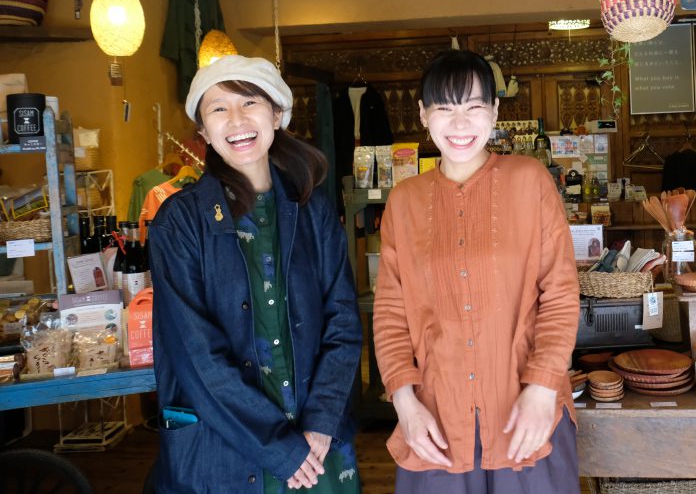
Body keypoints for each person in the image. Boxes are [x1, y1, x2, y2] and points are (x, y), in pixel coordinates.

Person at [148, 55, 362, 493]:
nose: (237, 119)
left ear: (277, 114)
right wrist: (279, 448)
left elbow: (343, 320)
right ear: (204, 131)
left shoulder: (313, 208)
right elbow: (195, 354)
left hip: (316, 445)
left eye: (249, 102)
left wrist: (321, 422)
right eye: (218, 108)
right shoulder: (180, 221)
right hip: (224, 449)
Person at [373, 49, 581, 493]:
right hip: (435, 420)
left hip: (525, 412)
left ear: (495, 110)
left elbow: (560, 294)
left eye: (473, 107)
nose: (460, 123)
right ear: (424, 115)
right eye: (445, 109)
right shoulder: (403, 202)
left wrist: (544, 388)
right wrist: (404, 402)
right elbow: (390, 313)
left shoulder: (530, 180)